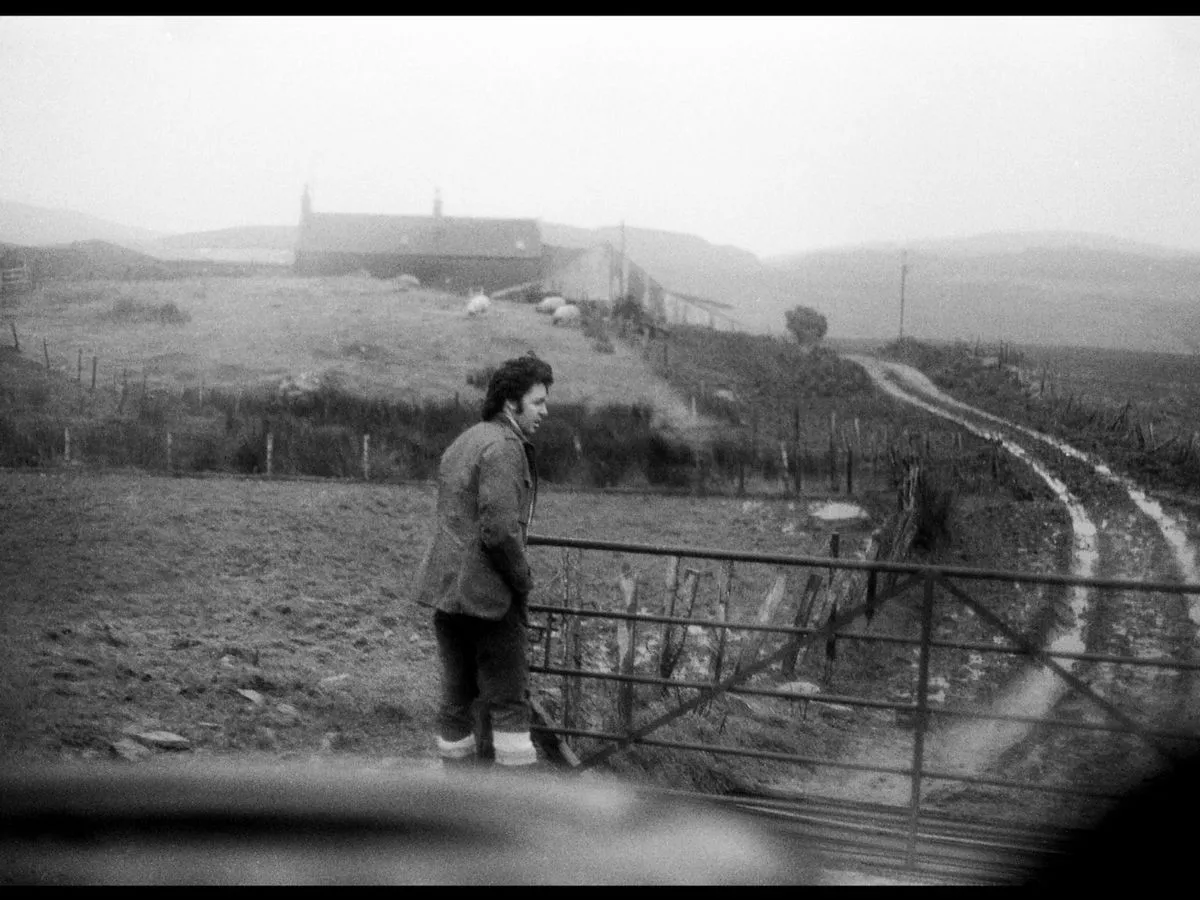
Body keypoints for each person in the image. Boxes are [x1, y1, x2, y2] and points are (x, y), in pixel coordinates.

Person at [417, 352, 552, 770]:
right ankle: (513, 812)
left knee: (457, 696)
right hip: (490, 599)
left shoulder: (467, 440)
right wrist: (523, 579)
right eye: (538, 402)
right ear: (511, 404)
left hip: (448, 594)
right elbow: (498, 530)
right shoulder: (507, 447)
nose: (544, 412)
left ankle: (458, 800)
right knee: (510, 700)